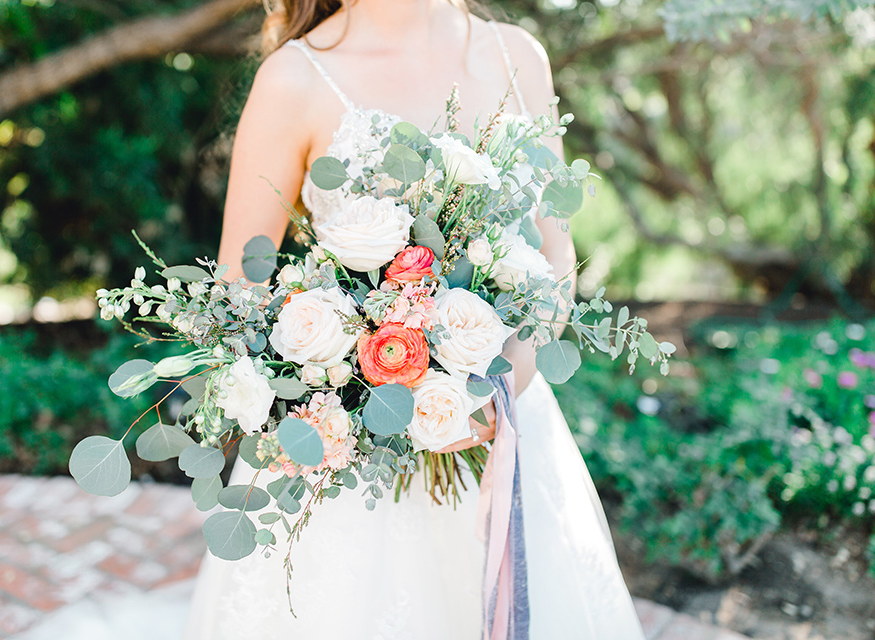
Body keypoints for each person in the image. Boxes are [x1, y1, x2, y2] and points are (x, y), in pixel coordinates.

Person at [184, 0, 647, 637]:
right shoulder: (294, 79)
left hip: (509, 426)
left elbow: (556, 249)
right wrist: (353, 384)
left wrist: (516, 371)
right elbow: (240, 292)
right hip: (352, 472)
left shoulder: (518, 57)